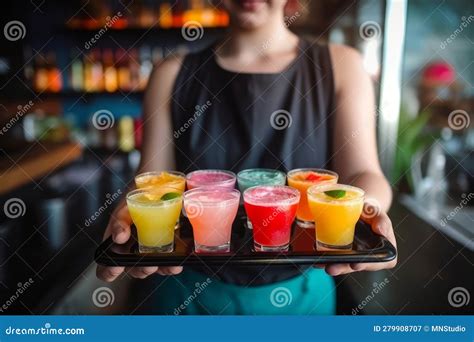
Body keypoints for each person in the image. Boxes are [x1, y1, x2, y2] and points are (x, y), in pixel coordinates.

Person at [97, 0, 397, 314]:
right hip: (186, 294)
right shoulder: (169, 74)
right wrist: (129, 210)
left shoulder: (342, 64)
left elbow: (364, 172)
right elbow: (153, 180)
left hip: (303, 297)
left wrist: (363, 208)